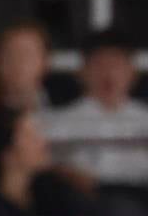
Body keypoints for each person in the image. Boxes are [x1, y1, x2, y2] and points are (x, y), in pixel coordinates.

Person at [44, 28, 148, 191]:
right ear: (82, 72)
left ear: (132, 73)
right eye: (100, 65)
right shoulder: (59, 123)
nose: (109, 74)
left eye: (116, 65)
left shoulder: (144, 119)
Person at [0, 20, 52, 113]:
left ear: (45, 60)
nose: (19, 61)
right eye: (10, 54)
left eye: (27, 54)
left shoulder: (65, 115)